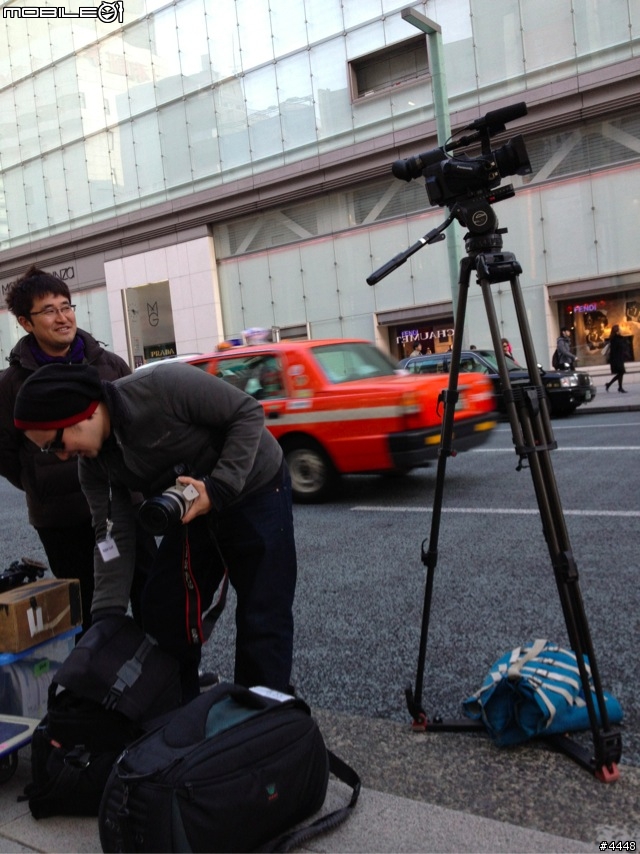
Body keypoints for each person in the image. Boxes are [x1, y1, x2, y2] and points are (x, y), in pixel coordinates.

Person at [13, 361, 298, 702]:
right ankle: (176, 711)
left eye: (56, 443)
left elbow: (247, 412)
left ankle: (260, 719)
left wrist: (219, 488)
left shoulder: (163, 386)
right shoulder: (93, 469)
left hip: (254, 487)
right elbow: (111, 536)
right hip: (189, 507)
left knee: (262, 612)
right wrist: (106, 618)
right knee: (163, 607)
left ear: (82, 412)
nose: (61, 457)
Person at [0, 266, 153, 635]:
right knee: (86, 608)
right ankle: (98, 683)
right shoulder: (11, 384)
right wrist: (40, 481)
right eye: (49, 310)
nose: (62, 317)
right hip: (62, 517)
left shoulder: (108, 364)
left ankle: (164, 678)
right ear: (25, 322)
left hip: (126, 504)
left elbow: (138, 424)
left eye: (66, 306)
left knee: (151, 593)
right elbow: (4, 452)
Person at [605, 324, 631, 393]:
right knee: (621, 372)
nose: (621, 330)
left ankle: (613, 385)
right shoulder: (615, 339)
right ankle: (617, 387)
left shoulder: (617, 338)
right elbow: (616, 349)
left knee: (621, 373)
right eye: (619, 329)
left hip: (619, 358)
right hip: (616, 359)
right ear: (617, 331)